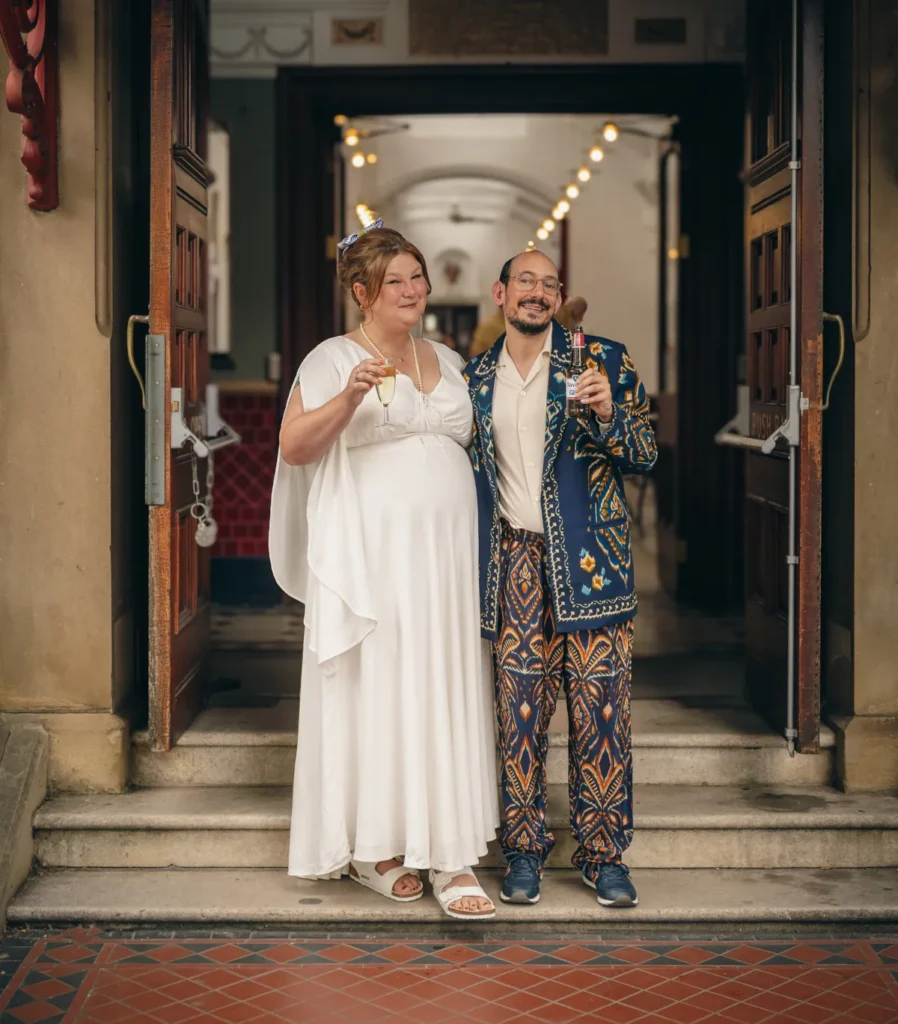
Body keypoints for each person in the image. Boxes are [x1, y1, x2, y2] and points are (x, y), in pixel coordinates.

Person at [270, 222, 499, 920]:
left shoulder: (454, 361)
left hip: (446, 563)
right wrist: (349, 397)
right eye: (395, 280)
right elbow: (295, 448)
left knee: (442, 684)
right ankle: (377, 848)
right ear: (363, 292)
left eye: (417, 276)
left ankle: (452, 852)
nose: (412, 290)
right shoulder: (331, 357)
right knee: (383, 688)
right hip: (375, 560)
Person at [463, 250, 656, 909]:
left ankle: (604, 859)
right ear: (501, 293)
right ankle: (523, 853)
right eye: (526, 283)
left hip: (592, 564)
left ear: (558, 297)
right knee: (517, 716)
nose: (538, 294)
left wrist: (608, 416)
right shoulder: (476, 379)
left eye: (549, 285)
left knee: (601, 712)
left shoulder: (600, 360)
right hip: (512, 565)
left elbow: (647, 452)